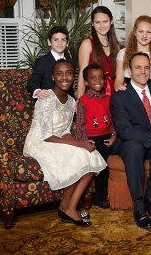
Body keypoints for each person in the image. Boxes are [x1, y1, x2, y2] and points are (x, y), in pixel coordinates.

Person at [23, 59, 107, 227]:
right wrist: (77, 145)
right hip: (40, 142)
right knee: (77, 158)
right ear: (53, 77)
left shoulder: (71, 101)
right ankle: (67, 208)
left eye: (68, 74)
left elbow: (66, 131)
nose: (64, 78)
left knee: (92, 155)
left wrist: (81, 142)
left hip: (58, 139)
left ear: (73, 77)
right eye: (59, 74)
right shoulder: (46, 99)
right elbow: (46, 135)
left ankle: (68, 206)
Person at [110, 52, 151, 229]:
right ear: (129, 70)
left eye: (146, 67)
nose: (143, 71)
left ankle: (150, 199)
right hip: (130, 142)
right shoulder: (119, 96)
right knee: (134, 147)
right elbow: (124, 130)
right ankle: (138, 205)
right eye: (138, 67)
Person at [76, 64, 116, 209]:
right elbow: (80, 125)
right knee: (100, 168)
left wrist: (114, 137)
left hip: (107, 137)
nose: (98, 81)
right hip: (92, 138)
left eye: (100, 78)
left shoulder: (108, 99)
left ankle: (111, 194)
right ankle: (99, 197)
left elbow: (112, 120)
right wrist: (85, 142)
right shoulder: (82, 101)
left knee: (110, 165)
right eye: (93, 78)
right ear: (86, 82)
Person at [77, 6, 120, 98]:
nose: (102, 26)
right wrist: (80, 99)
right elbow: (82, 73)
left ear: (111, 21)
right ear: (92, 23)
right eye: (97, 22)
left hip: (114, 94)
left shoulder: (116, 46)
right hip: (94, 94)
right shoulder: (87, 44)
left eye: (105, 21)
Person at [114, 15, 151, 91]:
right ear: (135, 32)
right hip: (130, 96)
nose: (144, 35)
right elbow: (118, 80)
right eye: (141, 31)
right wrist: (119, 87)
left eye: (148, 32)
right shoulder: (123, 54)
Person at [27, 26, 76, 100]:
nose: (60, 43)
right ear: (49, 42)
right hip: (48, 103)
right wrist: (38, 92)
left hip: (67, 105)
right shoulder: (42, 61)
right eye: (56, 40)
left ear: (67, 43)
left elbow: (70, 89)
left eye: (63, 40)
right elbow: (33, 82)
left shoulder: (71, 63)